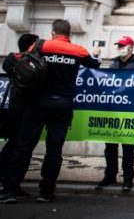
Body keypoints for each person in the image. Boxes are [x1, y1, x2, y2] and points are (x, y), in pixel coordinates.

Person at [1, 20, 101, 203]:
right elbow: (95, 65)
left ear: (53, 32)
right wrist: (96, 54)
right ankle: (46, 192)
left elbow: (20, 60)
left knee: (24, 145)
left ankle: (11, 189)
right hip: (63, 104)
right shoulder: (78, 50)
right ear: (69, 34)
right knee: (54, 149)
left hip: (38, 102)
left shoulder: (41, 46)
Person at [95, 36, 134, 191]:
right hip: (112, 110)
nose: (120, 47)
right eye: (119, 45)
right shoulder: (113, 64)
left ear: (131, 47)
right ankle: (110, 176)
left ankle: (128, 179)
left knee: (128, 148)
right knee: (110, 146)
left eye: (123, 45)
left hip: (130, 111)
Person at [0, 34, 40, 198]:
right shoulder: (32, 63)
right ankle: (10, 185)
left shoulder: (12, 59)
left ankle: (10, 183)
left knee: (15, 145)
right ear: (32, 46)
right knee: (20, 148)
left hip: (17, 108)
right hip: (25, 110)